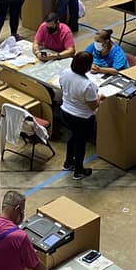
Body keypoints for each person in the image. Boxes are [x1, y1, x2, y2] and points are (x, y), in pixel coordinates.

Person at [58, 51, 100, 180]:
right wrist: (100, 98)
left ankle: (68, 162)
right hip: (81, 118)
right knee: (80, 144)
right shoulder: (88, 85)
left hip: (65, 112)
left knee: (73, 137)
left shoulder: (65, 73)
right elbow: (93, 106)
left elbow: (62, 87)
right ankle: (78, 171)